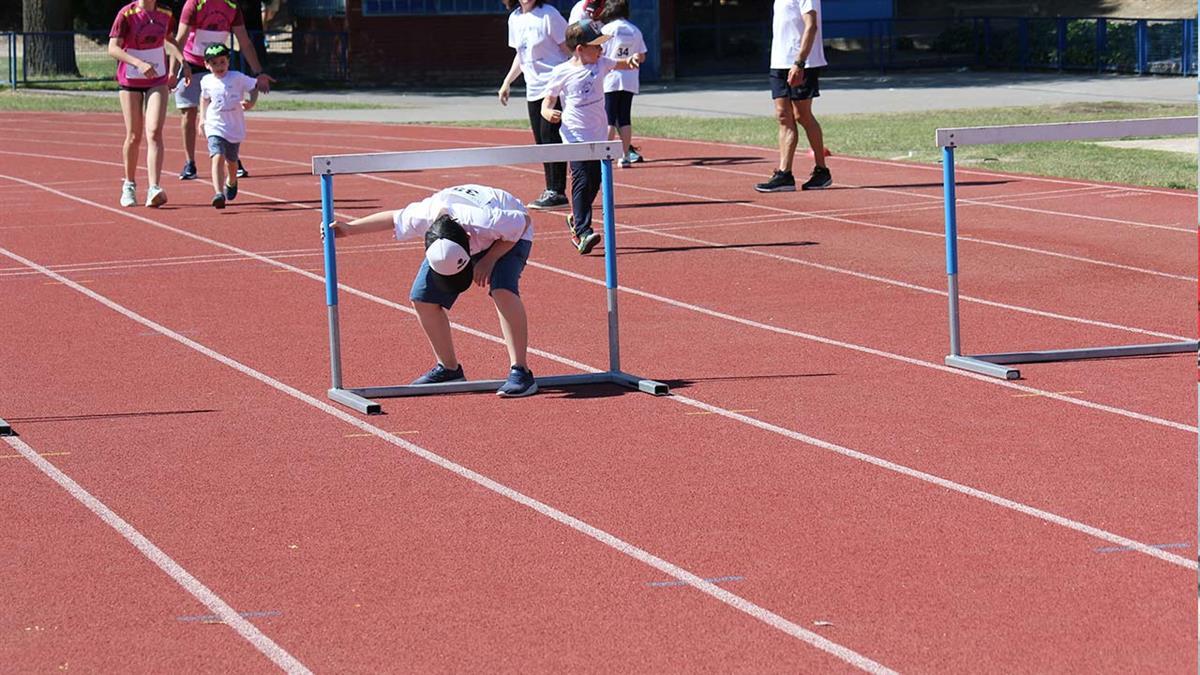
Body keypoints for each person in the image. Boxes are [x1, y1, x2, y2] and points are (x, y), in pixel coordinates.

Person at [327, 185, 539, 398]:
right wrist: (349, 228)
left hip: (510, 236)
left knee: (503, 289)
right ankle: (449, 369)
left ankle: (521, 371)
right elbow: (393, 217)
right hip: (455, 235)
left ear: (468, 238)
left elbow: (523, 222)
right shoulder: (424, 216)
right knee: (423, 298)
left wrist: (489, 259)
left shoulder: (487, 220)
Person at [541, 20, 641, 254]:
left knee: (596, 180)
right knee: (582, 178)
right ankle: (582, 232)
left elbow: (620, 64)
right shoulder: (562, 72)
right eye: (596, 46)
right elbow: (548, 101)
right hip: (574, 135)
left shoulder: (602, 63)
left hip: (598, 134)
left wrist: (632, 61)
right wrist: (548, 112)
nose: (601, 50)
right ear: (580, 49)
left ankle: (576, 218)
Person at [172, 0, 274, 182]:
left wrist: (258, 72)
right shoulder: (194, 4)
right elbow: (180, 39)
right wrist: (174, 70)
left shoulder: (233, 6)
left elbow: (245, 42)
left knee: (225, 109)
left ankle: (233, 158)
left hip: (218, 65)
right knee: (189, 113)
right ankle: (190, 163)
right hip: (191, 63)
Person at [107, 0, 187, 208]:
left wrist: (183, 61)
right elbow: (113, 48)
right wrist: (138, 63)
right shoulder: (126, 14)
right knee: (134, 135)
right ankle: (129, 184)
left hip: (157, 80)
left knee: (154, 132)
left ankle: (154, 187)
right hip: (131, 80)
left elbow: (168, 39)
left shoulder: (165, 13)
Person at [498, 0, 570, 210]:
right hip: (533, 88)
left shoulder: (549, 14)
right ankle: (551, 188)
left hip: (553, 85)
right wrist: (507, 82)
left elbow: (568, 49)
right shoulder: (515, 18)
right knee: (541, 140)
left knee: (551, 137)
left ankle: (557, 191)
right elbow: (521, 56)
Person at [755, 0, 830, 193]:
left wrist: (800, 62)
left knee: (802, 115)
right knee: (783, 116)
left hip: (802, 63)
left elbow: (811, 26)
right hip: (779, 61)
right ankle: (784, 174)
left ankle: (822, 171)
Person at [198, 43, 258, 209]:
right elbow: (204, 98)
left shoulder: (237, 77)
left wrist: (251, 102)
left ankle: (232, 181)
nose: (219, 66)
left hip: (234, 126)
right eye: (214, 63)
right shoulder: (206, 81)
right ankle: (218, 193)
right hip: (214, 124)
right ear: (207, 65)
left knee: (231, 162)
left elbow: (254, 87)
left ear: (228, 62)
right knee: (217, 156)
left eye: (222, 62)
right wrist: (202, 118)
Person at [597, 0, 646, 168]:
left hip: (611, 77)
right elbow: (642, 56)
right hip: (630, 78)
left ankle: (605, 155)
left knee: (609, 117)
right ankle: (625, 155)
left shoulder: (607, 30)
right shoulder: (635, 30)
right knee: (624, 117)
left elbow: (598, 51)